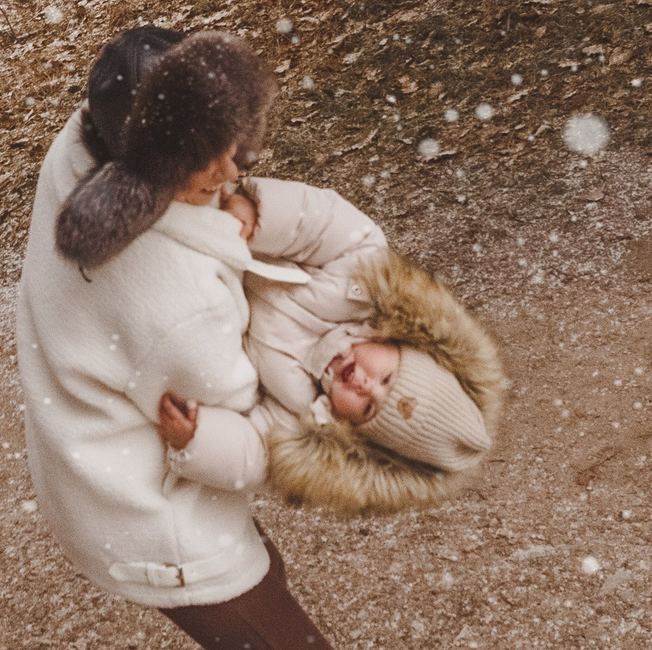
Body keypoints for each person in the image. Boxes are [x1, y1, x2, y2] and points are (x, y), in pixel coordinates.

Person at [16, 26, 524, 650]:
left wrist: (243, 211)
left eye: (234, 158)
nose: (230, 177)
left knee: (269, 591)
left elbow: (262, 437)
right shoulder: (180, 312)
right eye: (210, 167)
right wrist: (265, 227)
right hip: (151, 509)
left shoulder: (93, 138)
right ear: (143, 169)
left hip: (119, 455)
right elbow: (242, 415)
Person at [155, 177, 498, 507]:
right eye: (387, 378)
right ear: (399, 345)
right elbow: (322, 224)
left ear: (350, 426)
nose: (365, 385)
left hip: (199, 297)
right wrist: (259, 218)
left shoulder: (301, 410)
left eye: (369, 408)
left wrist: (198, 441)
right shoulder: (361, 283)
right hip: (230, 232)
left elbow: (256, 453)